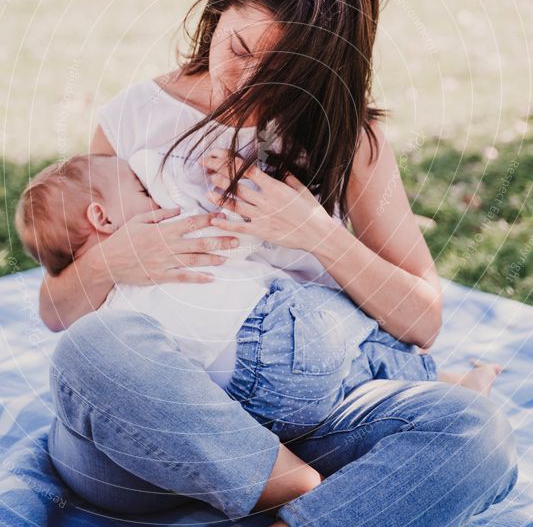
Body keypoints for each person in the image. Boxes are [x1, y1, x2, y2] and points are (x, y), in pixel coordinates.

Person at [40, 0, 518, 527]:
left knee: (475, 433)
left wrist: (315, 232)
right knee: (92, 350)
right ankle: (330, 508)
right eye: (238, 50)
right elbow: (55, 308)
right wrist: (115, 262)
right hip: (159, 434)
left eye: (283, 74)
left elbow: (422, 320)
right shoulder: (134, 118)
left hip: (312, 420)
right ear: (220, 10)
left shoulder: (351, 144)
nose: (247, 85)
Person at [17, 152, 502, 440]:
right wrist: (243, 200)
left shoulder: (102, 309)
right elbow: (237, 238)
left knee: (349, 388)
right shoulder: (162, 233)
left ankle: (439, 392)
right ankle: (444, 386)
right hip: (277, 335)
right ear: (103, 218)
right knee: (363, 338)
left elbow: (65, 316)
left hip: (244, 405)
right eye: (140, 189)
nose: (153, 198)